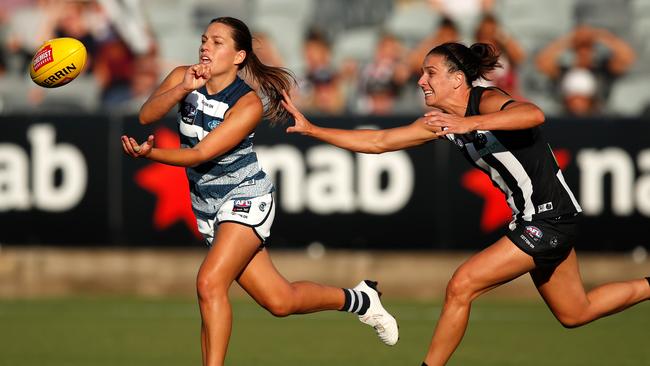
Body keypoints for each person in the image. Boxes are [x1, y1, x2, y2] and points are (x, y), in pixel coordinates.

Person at [281, 41, 650, 366]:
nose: (422, 80)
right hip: (537, 219)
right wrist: (314, 130)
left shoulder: (485, 100)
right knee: (575, 312)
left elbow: (533, 114)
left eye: (431, 73)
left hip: (549, 218)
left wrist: (470, 124)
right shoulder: (443, 120)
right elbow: (380, 142)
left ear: (458, 79)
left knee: (462, 284)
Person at [119, 17, 398, 366]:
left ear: (238, 56)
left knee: (209, 282)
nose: (206, 46)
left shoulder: (248, 104)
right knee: (280, 301)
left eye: (217, 42)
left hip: (245, 195)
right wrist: (181, 88)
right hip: (207, 204)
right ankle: (361, 299)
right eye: (205, 39)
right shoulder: (183, 76)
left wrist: (151, 154)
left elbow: (201, 153)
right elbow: (147, 115)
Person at [535, 23, 636, 113]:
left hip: (596, 117)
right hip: (566, 117)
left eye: (588, 49)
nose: (584, 53)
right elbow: (542, 61)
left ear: (594, 51)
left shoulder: (602, 71)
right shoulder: (564, 71)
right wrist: (571, 38)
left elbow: (627, 57)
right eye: (580, 49)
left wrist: (599, 35)